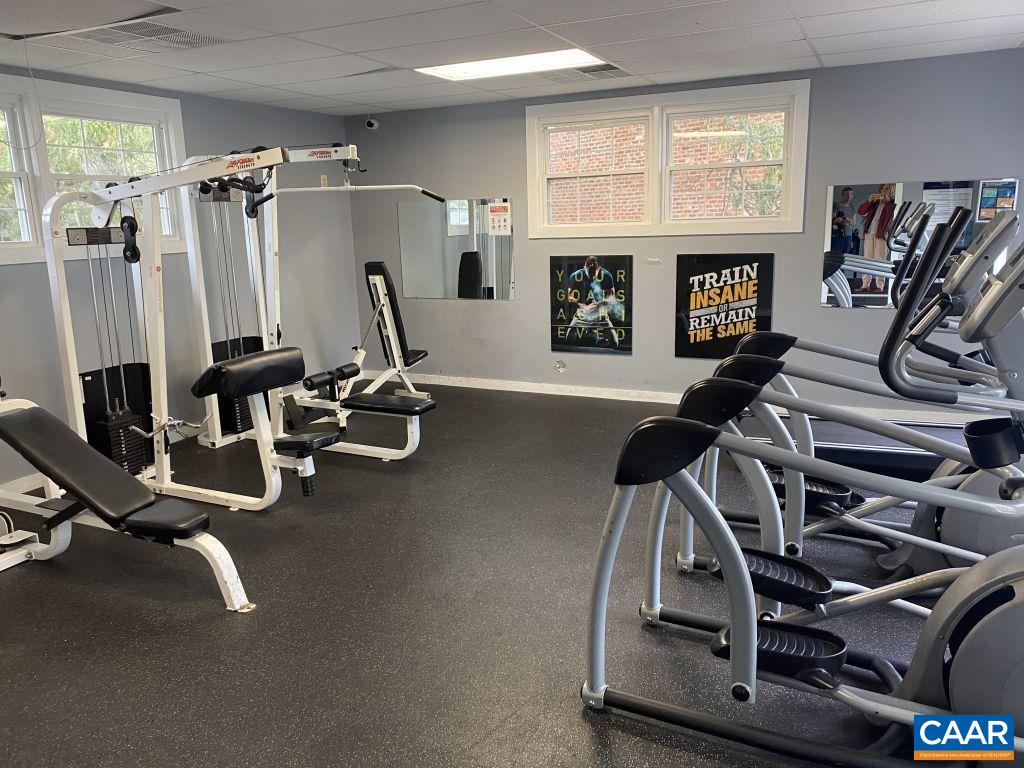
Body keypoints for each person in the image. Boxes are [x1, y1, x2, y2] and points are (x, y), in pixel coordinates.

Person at [566, 256, 621, 347]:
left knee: (615, 342)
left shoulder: (606, 275)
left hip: (599, 312)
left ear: (599, 268)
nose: (591, 277)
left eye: (594, 273)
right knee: (568, 340)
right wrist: (583, 306)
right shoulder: (575, 275)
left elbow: (612, 296)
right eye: (589, 273)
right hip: (583, 312)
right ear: (584, 267)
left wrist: (599, 304)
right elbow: (569, 297)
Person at [856, 183, 896, 293]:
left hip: (882, 235)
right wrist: (869, 201)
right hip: (869, 232)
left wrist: (887, 202)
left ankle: (880, 285)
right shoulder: (875, 202)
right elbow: (860, 211)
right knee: (867, 258)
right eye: (882, 188)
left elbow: (891, 216)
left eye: (886, 188)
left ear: (891, 190)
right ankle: (865, 284)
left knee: (880, 259)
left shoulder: (893, 202)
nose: (884, 190)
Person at [831, 186, 856, 255]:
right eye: (847, 194)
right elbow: (832, 219)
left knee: (845, 255)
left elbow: (854, 222)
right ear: (842, 195)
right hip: (837, 234)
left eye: (851, 194)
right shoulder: (836, 205)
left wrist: (847, 220)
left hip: (848, 235)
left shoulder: (852, 207)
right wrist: (839, 220)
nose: (849, 196)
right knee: (835, 255)